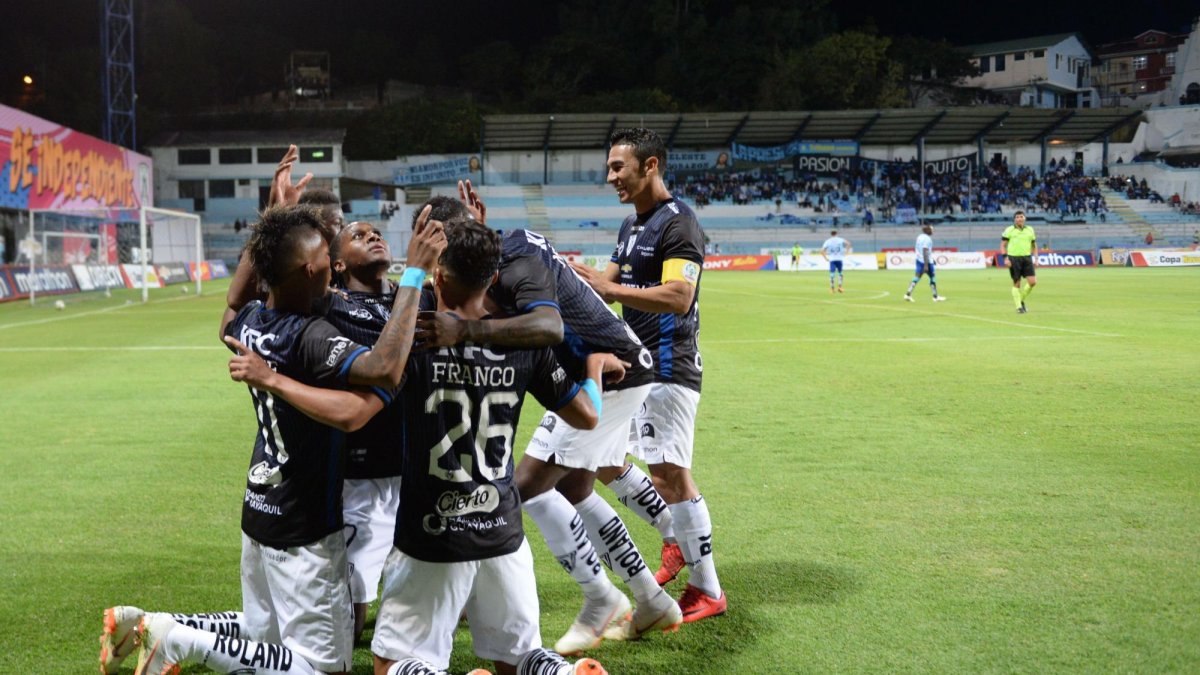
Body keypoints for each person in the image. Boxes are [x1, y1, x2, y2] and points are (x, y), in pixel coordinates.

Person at [105, 205, 446, 675]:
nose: (330, 264)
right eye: (325, 257)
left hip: (259, 511)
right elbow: (379, 377)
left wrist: (272, 212)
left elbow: (228, 305)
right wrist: (415, 277)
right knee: (325, 667)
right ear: (311, 269)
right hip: (304, 524)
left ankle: (159, 625)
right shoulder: (310, 336)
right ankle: (177, 640)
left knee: (269, 651)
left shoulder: (246, 321)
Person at [416, 221, 682, 654]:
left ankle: (602, 597)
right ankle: (651, 598)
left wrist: (463, 330)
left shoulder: (517, 259)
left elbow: (548, 326)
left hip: (611, 372)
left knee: (525, 488)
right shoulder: (503, 255)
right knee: (575, 488)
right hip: (615, 366)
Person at [571, 127, 727, 623]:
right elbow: (606, 283)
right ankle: (673, 540)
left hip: (668, 364)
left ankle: (707, 589)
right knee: (600, 459)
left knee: (670, 475)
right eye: (610, 167)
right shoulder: (630, 226)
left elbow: (679, 297)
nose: (610, 176)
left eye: (618, 167)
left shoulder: (678, 224)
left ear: (651, 165)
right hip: (638, 365)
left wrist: (611, 291)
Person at [1000, 210, 1037, 314]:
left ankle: (1020, 300)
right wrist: (1005, 258)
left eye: (1021, 216)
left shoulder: (1030, 229)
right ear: (1014, 219)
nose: (1019, 218)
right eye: (1017, 217)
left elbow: (1034, 245)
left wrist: (1036, 258)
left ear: (1025, 218)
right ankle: (1019, 307)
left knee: (1033, 282)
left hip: (1027, 258)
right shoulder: (1009, 230)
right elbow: (1003, 245)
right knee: (1017, 283)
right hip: (1014, 259)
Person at [905, 225, 945, 302]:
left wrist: (931, 259)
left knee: (917, 277)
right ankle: (935, 297)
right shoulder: (928, 239)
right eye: (932, 230)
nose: (933, 231)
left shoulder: (919, 237)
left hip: (919, 260)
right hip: (926, 261)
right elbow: (925, 250)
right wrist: (926, 264)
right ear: (928, 230)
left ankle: (907, 294)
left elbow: (920, 249)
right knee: (932, 277)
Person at [821, 229, 851, 294]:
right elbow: (848, 243)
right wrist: (846, 252)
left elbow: (822, 251)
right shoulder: (840, 239)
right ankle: (840, 287)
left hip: (832, 260)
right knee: (840, 273)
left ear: (831, 234)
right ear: (836, 233)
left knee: (832, 274)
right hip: (839, 259)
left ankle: (832, 289)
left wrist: (825, 258)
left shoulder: (828, 241)